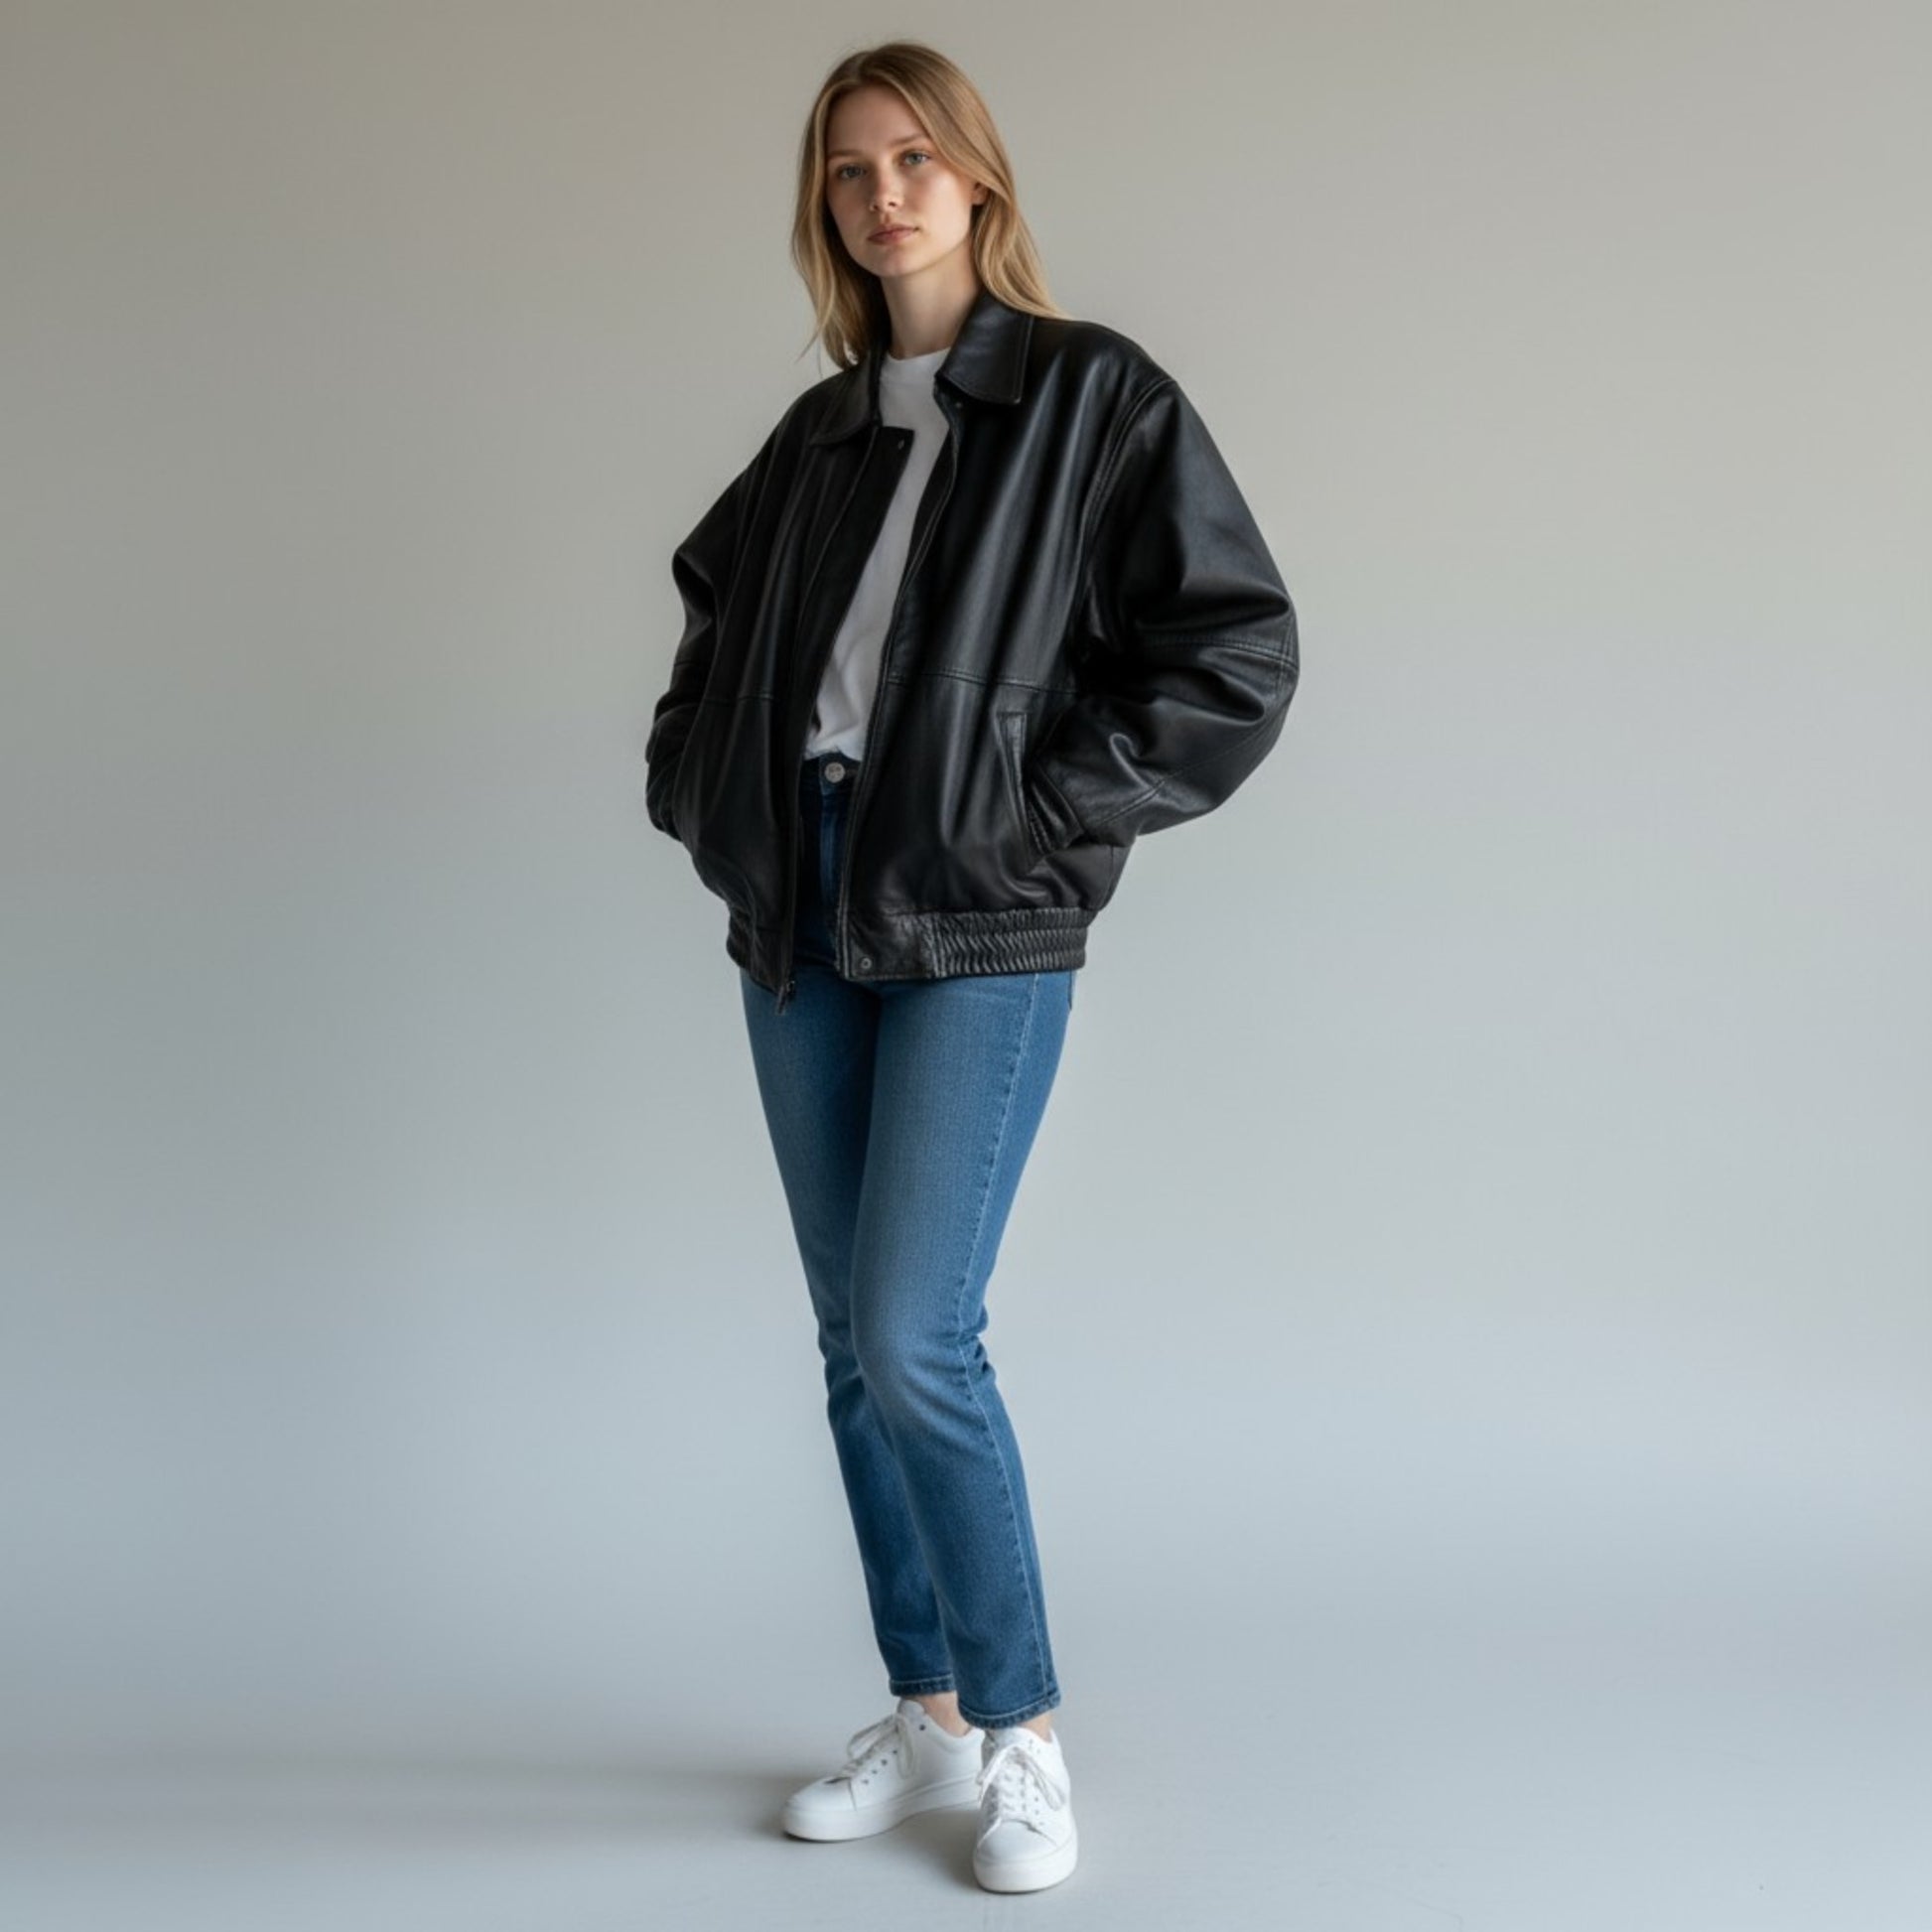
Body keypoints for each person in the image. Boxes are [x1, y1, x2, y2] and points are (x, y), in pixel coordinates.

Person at [643, 40, 1299, 1895]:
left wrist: (1042, 810)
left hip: (976, 913)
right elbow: (708, 644)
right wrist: (711, 796)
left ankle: (1021, 1735)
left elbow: (1231, 649)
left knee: (921, 1330)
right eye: (851, 169)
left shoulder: (1095, 396)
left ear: (980, 179)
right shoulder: (821, 436)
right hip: (807, 906)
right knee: (853, 1345)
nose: (886, 192)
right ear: (824, 209)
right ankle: (922, 1714)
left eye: (916, 155)